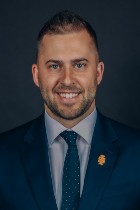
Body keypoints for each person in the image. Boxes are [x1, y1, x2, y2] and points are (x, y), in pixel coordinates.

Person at [0, 10, 140, 210]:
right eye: (54, 66)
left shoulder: (136, 152)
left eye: (80, 65)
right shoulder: (3, 156)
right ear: (36, 75)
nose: (66, 79)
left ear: (98, 73)